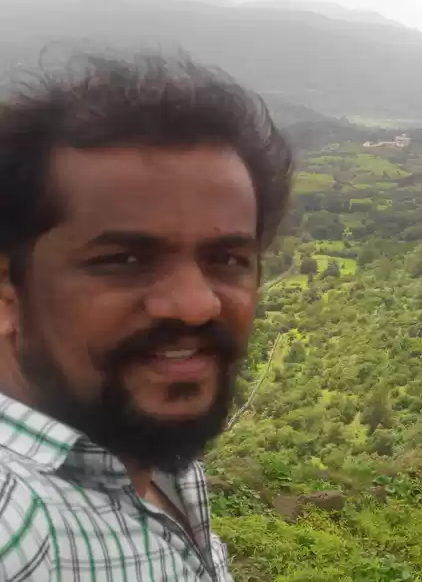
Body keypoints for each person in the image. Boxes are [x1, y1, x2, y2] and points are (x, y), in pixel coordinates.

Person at [0, 52, 293, 581]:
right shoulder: (18, 524)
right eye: (125, 260)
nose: (196, 304)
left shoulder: (140, 442)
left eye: (227, 259)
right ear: (7, 289)